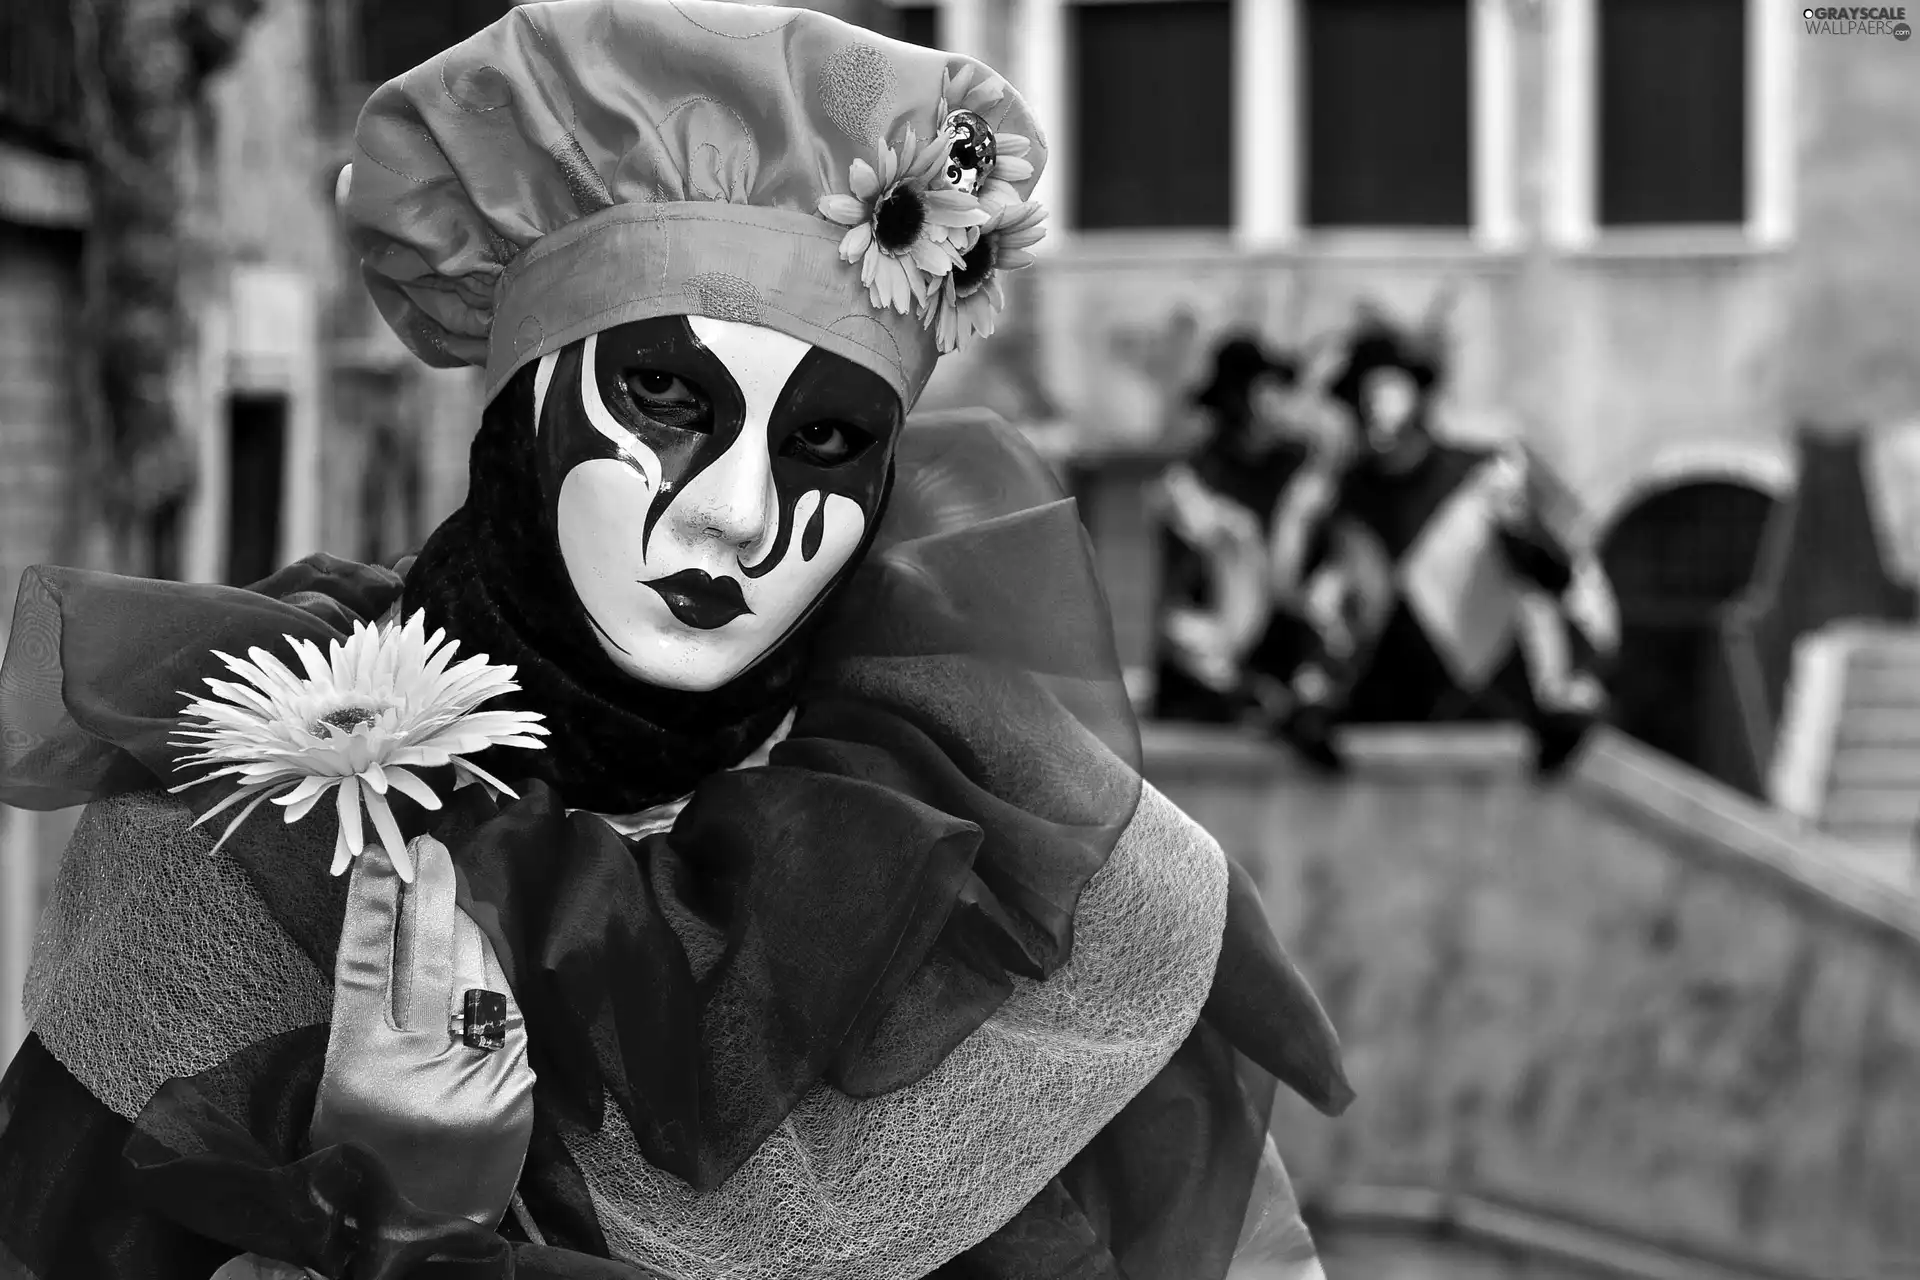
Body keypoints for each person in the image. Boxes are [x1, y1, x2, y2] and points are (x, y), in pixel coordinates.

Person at [0, 3, 1352, 1278]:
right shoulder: (253, 841)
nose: (739, 518)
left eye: (827, 441)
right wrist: (388, 1215)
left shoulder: (1008, 870)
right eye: (663, 396)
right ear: (524, 413)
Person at [1299, 308, 1616, 775]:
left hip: (1501, 726)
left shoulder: (1486, 478)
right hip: (1391, 731)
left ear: (1418, 393)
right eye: (1358, 393)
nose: (1371, 406)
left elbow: (1564, 584)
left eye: (1383, 389)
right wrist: (1314, 697)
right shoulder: (1345, 503)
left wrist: (1574, 693)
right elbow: (1331, 611)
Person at [1149, 335, 1347, 765]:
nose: (1281, 400)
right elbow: (1180, 614)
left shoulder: (1300, 470)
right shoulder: (1194, 482)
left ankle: (1304, 703)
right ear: (1239, 398)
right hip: (1218, 673)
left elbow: (1318, 578)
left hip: (1288, 653)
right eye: (1268, 387)